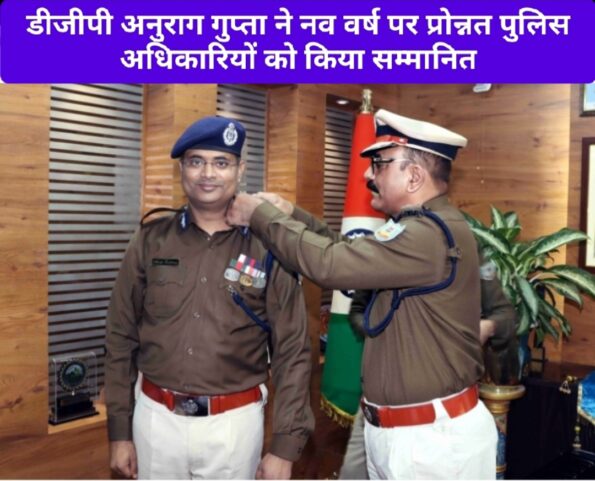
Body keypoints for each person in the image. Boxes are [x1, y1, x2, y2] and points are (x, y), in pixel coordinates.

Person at [226, 109, 499, 479]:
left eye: (380, 164)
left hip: (431, 443)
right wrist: (292, 213)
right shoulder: (418, 228)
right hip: (408, 433)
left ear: (414, 176)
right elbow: (349, 252)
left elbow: (331, 264)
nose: (369, 175)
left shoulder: (426, 235)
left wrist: (259, 216)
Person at [104, 116, 313, 480]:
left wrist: (285, 445)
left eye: (221, 162)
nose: (208, 174)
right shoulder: (151, 239)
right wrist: (119, 431)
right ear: (182, 169)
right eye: (196, 161)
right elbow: (120, 334)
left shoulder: (268, 244)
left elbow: (292, 350)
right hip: (156, 421)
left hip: (233, 427)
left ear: (240, 170)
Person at [339, 274, 518, 479]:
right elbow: (357, 310)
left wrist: (485, 327)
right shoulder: (383, 258)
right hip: (377, 410)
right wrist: (387, 331)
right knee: (351, 472)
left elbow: (505, 316)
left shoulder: (467, 260)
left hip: (439, 418)